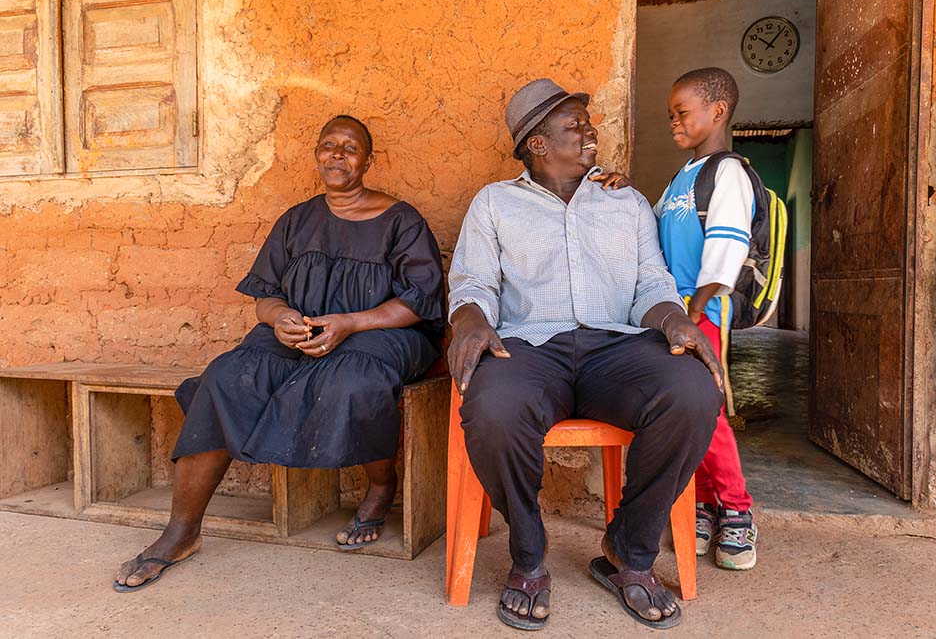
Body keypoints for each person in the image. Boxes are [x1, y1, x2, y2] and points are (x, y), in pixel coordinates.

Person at [114, 115, 445, 592]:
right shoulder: (297, 219)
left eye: (350, 148)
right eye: (328, 145)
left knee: (353, 377)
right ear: (316, 156)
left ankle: (380, 484)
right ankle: (181, 532)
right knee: (226, 377)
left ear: (369, 161)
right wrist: (280, 318)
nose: (337, 155)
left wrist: (350, 322)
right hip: (302, 330)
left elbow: (420, 300)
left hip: (381, 331)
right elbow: (264, 295)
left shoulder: (401, 220)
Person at [447, 78, 724, 631]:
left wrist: (674, 320)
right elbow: (473, 281)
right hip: (530, 346)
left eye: (586, 122)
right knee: (493, 407)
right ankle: (527, 555)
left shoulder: (626, 202)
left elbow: (651, 283)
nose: (590, 130)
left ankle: (629, 551)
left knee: (692, 392)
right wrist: (471, 323)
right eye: (573, 125)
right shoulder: (494, 203)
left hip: (615, 346)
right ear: (538, 143)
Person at [654, 67, 757, 570]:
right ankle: (697, 504)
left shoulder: (728, 173)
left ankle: (736, 510)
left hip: (703, 314)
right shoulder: (681, 178)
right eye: (670, 115)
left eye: (682, 113)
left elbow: (726, 251)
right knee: (681, 410)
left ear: (716, 111)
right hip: (671, 315)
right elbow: (649, 233)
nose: (673, 122)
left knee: (708, 413)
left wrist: (694, 312)